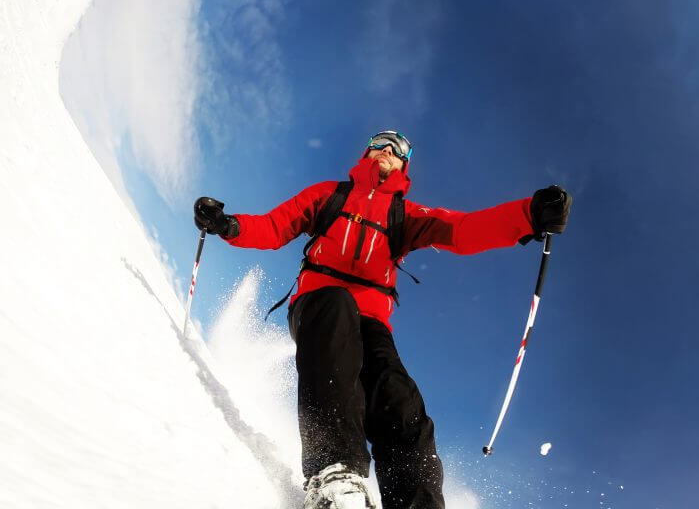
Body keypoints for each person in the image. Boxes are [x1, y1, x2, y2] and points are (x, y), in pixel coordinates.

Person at [193, 131, 572, 509]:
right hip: (319, 305)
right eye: (380, 143)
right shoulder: (330, 194)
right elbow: (275, 226)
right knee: (337, 317)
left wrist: (529, 215)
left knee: (397, 396)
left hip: (372, 321)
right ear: (367, 152)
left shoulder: (404, 215)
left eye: (399, 148)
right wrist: (229, 225)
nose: (388, 149)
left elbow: (463, 229)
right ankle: (335, 476)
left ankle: (417, 502)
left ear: (405, 163)